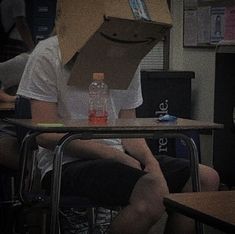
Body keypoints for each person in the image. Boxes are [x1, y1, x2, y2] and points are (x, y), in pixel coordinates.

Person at [17, 34, 220, 234]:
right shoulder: (49, 53)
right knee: (152, 191)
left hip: (119, 155)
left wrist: (151, 162)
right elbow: (46, 135)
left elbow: (128, 129)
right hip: (65, 163)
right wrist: (114, 155)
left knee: (205, 177)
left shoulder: (128, 55)